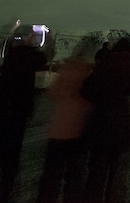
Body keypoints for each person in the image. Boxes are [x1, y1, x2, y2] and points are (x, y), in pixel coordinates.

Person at [0, 24, 48, 203]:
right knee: (11, 151)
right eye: (31, 36)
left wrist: (14, 31)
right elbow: (43, 57)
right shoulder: (29, 56)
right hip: (17, 110)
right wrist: (45, 37)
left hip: (1, 107)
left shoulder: (12, 53)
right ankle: (5, 186)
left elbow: (3, 49)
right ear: (28, 38)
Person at [80, 37, 130, 202]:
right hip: (120, 125)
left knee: (96, 172)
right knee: (115, 174)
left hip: (99, 124)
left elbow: (86, 90)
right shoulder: (129, 68)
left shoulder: (105, 65)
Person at [36, 49, 92, 203]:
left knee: (51, 174)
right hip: (78, 129)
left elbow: (52, 94)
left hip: (58, 129)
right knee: (74, 176)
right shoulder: (86, 75)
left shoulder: (64, 71)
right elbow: (90, 99)